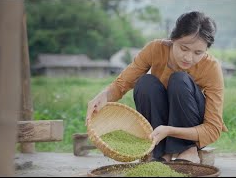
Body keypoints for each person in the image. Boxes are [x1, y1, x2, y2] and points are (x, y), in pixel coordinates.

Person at [85, 11, 228, 163]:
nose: (188, 57)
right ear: (173, 39)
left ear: (206, 50)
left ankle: (188, 149)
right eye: (183, 48)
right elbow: (123, 83)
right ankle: (158, 151)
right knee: (145, 83)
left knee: (179, 80)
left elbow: (212, 129)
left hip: (189, 125)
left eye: (198, 52)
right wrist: (104, 95)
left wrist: (170, 131)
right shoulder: (155, 49)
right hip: (159, 126)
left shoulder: (211, 67)